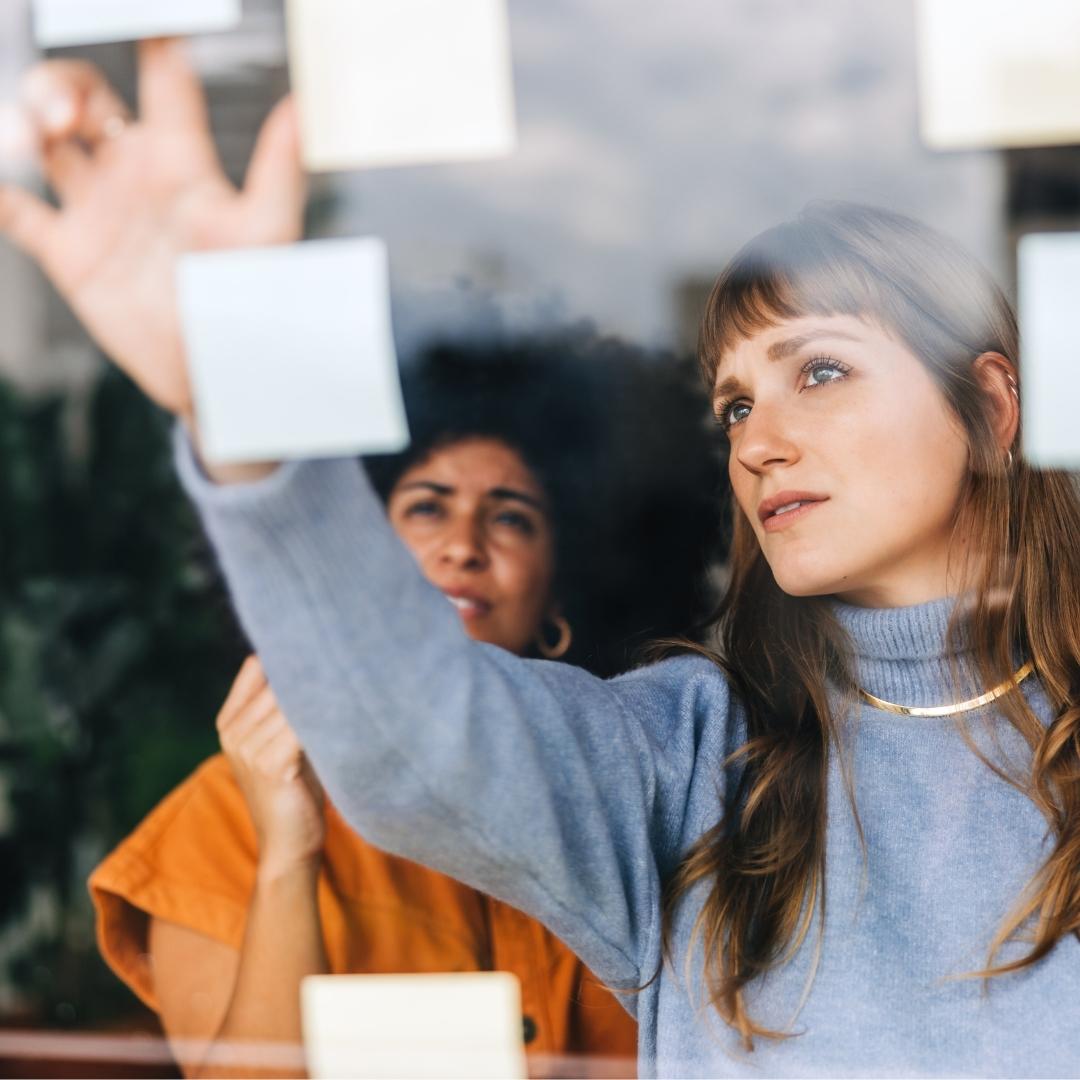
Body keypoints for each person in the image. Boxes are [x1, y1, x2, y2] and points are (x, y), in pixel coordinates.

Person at [4, 42, 1080, 1078]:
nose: (756, 443)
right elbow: (413, 734)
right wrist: (239, 400)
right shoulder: (693, 763)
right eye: (737, 404)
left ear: (988, 408)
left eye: (822, 372)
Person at [86, 336, 722, 1078]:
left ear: (558, 598)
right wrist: (288, 858)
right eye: (426, 508)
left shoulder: (641, 803)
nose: (463, 544)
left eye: (511, 517)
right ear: (355, 565)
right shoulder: (222, 822)